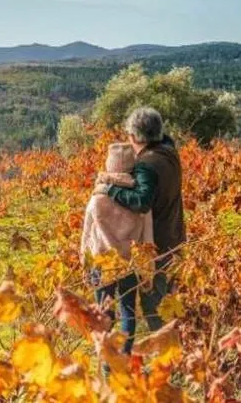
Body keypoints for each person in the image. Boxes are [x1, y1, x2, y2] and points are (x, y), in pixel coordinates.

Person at [94, 107, 185, 331]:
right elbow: (166, 138)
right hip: (176, 237)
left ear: (134, 136)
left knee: (154, 307)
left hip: (158, 246)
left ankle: (168, 361)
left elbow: (142, 201)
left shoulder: (147, 164)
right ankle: (174, 356)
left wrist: (110, 190)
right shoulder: (169, 152)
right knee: (168, 303)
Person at [81, 143, 154, 354]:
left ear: (109, 165)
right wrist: (148, 268)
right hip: (129, 262)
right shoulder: (140, 201)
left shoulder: (98, 197)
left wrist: (84, 264)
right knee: (128, 310)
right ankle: (125, 356)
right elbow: (148, 238)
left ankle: (106, 361)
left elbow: (86, 236)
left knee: (104, 315)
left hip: (101, 263)